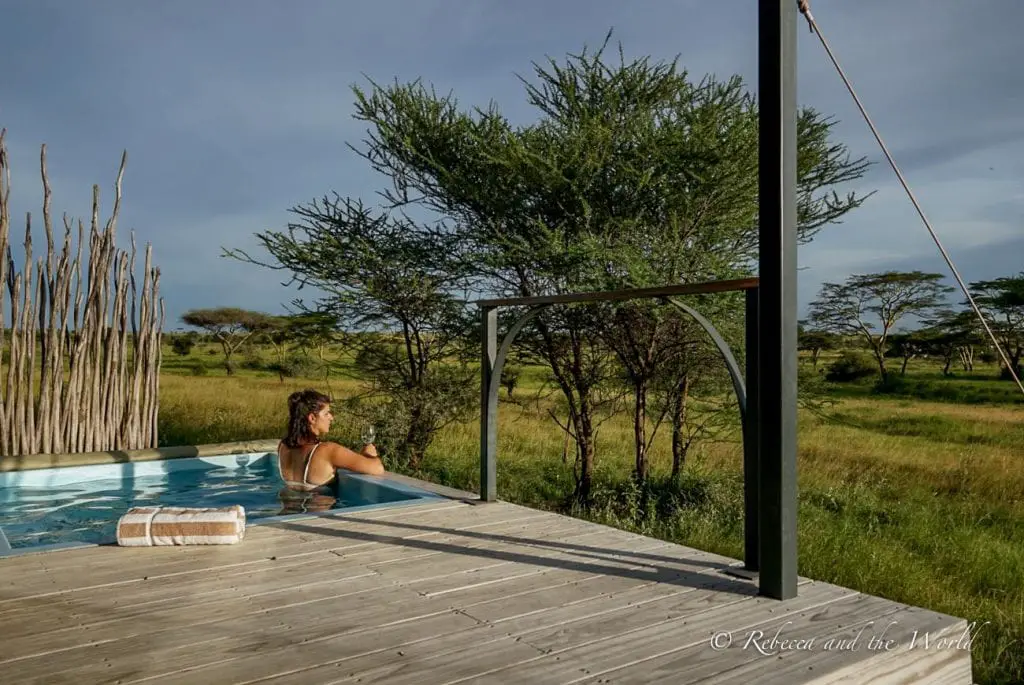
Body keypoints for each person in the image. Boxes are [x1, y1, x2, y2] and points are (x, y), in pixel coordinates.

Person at [276, 389, 385, 494]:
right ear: (312, 418)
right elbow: (377, 468)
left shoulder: (283, 447)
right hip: (319, 512)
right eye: (327, 413)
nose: (331, 418)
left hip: (288, 511)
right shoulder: (328, 450)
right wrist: (370, 454)